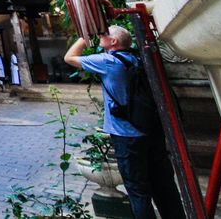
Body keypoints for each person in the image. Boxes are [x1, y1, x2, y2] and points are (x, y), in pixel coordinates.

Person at [65, 26, 185, 219]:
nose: (101, 35)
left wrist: (84, 37)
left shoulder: (108, 61)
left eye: (105, 34)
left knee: (138, 191)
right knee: (164, 187)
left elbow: (69, 57)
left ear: (114, 42)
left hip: (126, 135)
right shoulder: (138, 59)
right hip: (151, 130)